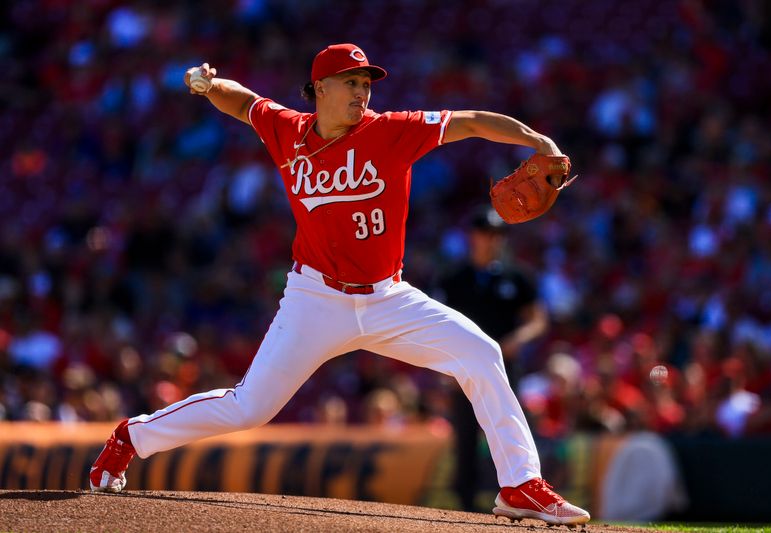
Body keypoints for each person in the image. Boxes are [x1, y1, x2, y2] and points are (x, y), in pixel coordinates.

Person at [88, 43, 589, 526]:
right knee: (250, 407)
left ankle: (520, 484)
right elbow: (243, 102)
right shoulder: (288, 130)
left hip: (388, 297)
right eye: (350, 82)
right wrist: (209, 84)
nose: (361, 92)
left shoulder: (393, 131)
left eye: (366, 82)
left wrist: (537, 141)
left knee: (481, 353)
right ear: (319, 87)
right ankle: (132, 437)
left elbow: (473, 121)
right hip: (316, 299)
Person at [435, 207, 549, 511]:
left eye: (498, 234)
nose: (492, 240)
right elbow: (436, 324)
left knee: (510, 429)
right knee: (465, 436)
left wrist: (518, 339)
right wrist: (442, 365)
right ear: (473, 236)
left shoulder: (517, 276)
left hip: (506, 368)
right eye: (487, 233)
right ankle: (466, 507)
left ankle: (524, 493)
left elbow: (537, 319)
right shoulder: (454, 279)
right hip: (463, 370)